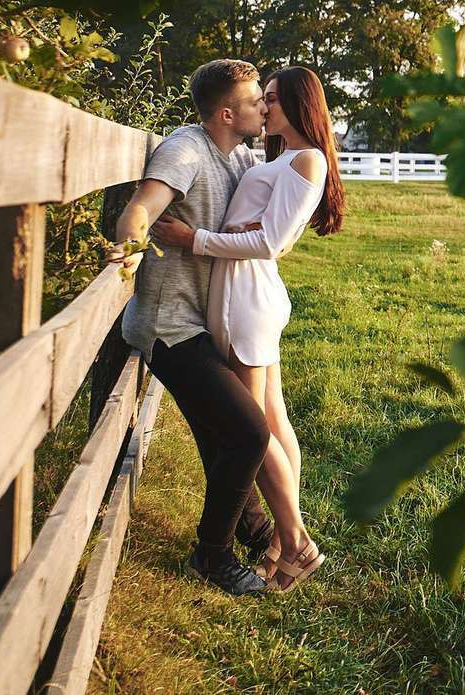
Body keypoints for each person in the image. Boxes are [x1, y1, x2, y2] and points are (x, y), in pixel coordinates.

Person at [161, 65, 345, 592]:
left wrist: (195, 238)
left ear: (297, 103)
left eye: (271, 99)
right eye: (261, 99)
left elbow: (270, 242)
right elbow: (272, 235)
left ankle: (296, 544)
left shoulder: (305, 158)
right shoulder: (284, 157)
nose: (264, 108)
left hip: (247, 302)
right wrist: (233, 230)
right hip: (245, 294)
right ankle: (279, 544)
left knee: (256, 431)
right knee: (273, 423)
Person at [114, 59, 275, 596]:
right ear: (226, 113)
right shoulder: (186, 149)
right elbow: (140, 210)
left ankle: (255, 532)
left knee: (222, 432)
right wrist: (131, 249)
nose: (263, 107)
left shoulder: (240, 156)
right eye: (256, 101)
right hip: (168, 326)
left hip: (203, 322)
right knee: (249, 432)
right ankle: (212, 555)